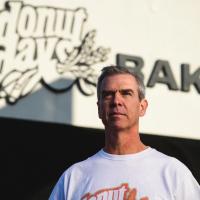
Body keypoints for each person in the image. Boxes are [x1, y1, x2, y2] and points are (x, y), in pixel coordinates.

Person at [49, 66, 200, 200]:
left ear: (142, 106)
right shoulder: (74, 177)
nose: (116, 101)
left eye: (126, 93)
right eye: (108, 94)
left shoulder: (171, 172)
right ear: (99, 108)